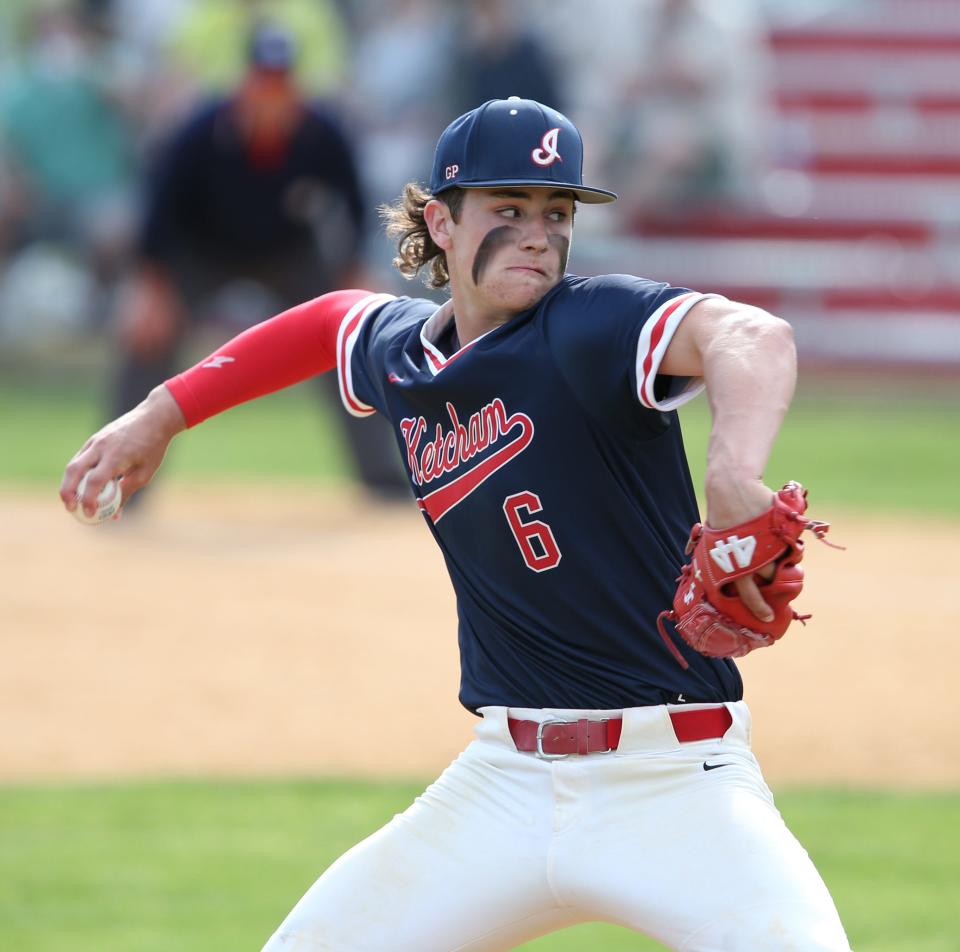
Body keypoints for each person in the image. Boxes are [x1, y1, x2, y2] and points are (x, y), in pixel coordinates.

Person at [61, 98, 851, 951]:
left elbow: (754, 335)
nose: (538, 234)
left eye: (556, 212)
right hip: (503, 784)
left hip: (678, 781)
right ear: (440, 220)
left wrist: (733, 471)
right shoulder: (403, 350)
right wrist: (161, 412)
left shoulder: (593, 324)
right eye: (506, 210)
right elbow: (327, 322)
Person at [110, 23, 406, 498]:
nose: (272, 95)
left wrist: (354, 270)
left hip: (286, 251)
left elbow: (353, 203)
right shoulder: (199, 132)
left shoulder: (320, 132)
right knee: (148, 336)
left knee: (348, 338)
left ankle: (381, 477)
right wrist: (151, 289)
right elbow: (158, 211)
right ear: (244, 83)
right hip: (201, 250)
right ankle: (118, 476)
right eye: (263, 82)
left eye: (281, 84)